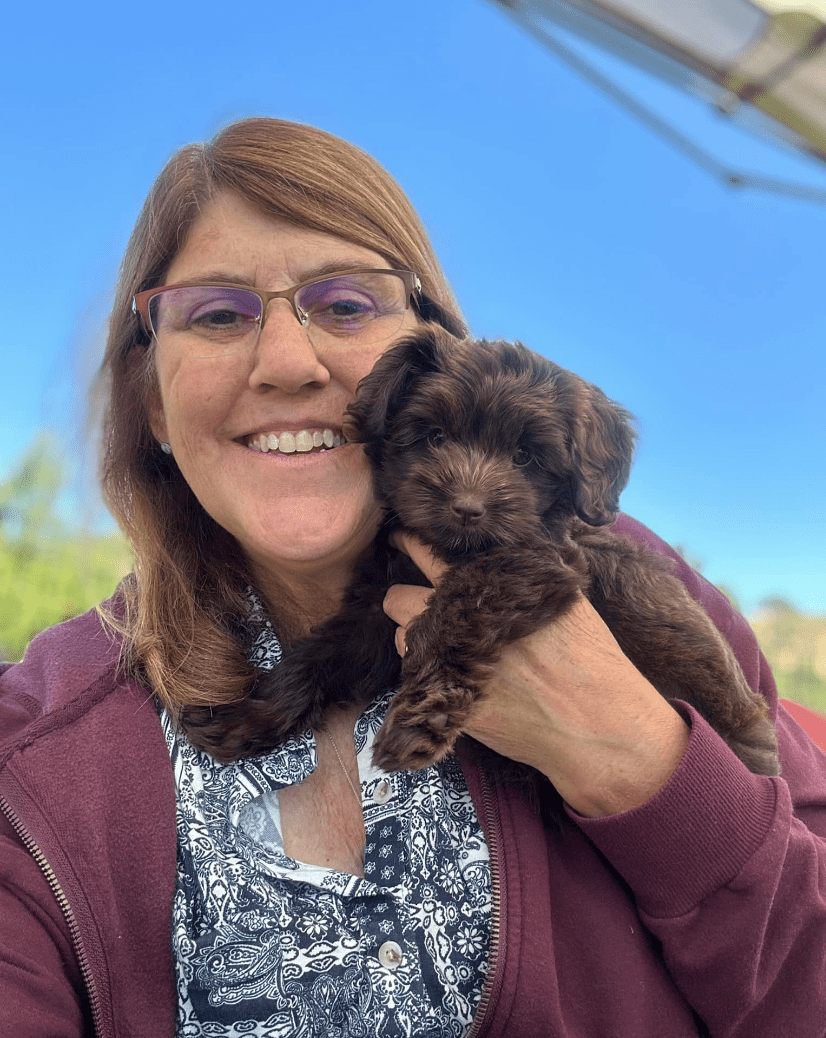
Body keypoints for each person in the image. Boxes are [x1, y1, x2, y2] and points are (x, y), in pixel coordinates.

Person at [1, 117, 824, 1038]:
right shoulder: (31, 755)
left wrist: (641, 763)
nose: (287, 363)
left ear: (428, 342)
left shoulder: (641, 570)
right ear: (149, 399)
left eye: (346, 303)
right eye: (218, 313)